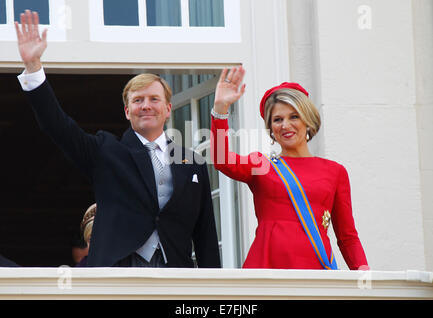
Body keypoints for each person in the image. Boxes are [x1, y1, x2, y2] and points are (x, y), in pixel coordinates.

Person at [14, 10, 220, 268]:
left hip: (175, 273)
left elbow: (205, 237)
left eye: (154, 99)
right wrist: (34, 68)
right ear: (127, 111)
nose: (146, 106)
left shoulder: (192, 162)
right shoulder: (105, 151)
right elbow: (58, 126)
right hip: (119, 270)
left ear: (168, 109)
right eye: (138, 100)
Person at [211, 66, 369, 270]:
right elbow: (222, 159)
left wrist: (364, 275)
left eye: (294, 116)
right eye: (277, 119)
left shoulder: (335, 172)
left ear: (308, 120)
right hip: (267, 273)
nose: (285, 125)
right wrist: (220, 109)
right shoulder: (262, 164)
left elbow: (347, 237)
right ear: (271, 129)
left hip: (316, 273)